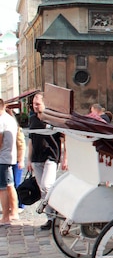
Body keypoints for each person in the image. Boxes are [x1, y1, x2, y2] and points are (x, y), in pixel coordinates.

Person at [27, 92, 67, 230]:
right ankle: (50, 218)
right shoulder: (33, 119)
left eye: (38, 104)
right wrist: (28, 159)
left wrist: (64, 158)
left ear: (45, 104)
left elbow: (63, 139)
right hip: (36, 158)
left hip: (51, 156)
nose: (35, 106)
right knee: (43, 190)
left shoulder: (52, 120)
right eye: (33, 104)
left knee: (47, 185)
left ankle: (61, 210)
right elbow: (31, 140)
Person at [0, 100, 18, 226]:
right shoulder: (10, 118)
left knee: (2, 188)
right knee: (10, 185)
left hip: (2, 158)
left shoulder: (1, 120)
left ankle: (5, 217)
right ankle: (14, 212)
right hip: (9, 157)